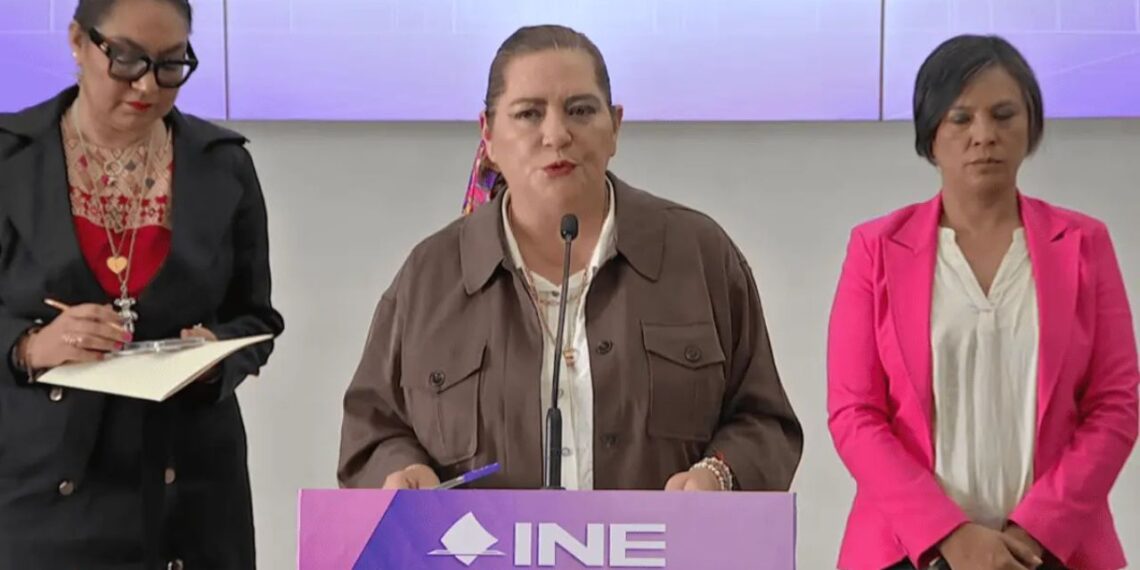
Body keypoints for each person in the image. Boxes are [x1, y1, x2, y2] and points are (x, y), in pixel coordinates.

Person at [338, 24, 802, 493]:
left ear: (615, 126)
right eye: (529, 114)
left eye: (580, 110)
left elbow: (764, 423)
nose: (557, 135)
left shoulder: (699, 255)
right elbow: (372, 435)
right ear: (489, 136)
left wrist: (719, 474)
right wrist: (400, 471)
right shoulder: (430, 277)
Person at [827, 34, 1138, 570]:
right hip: (909, 552)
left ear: (1030, 126)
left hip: (1054, 552)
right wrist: (951, 535)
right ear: (930, 135)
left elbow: (1115, 406)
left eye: (1003, 115)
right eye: (961, 118)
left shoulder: (1085, 244)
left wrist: (1034, 532)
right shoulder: (875, 249)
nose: (984, 135)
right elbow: (855, 414)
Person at [0, 0, 284, 567]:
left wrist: (215, 357)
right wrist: (29, 347)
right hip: (42, 489)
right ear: (78, 41)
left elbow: (256, 319)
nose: (148, 86)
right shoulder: (11, 157)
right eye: (127, 60)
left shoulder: (222, 164)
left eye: (171, 64)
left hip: (189, 488)